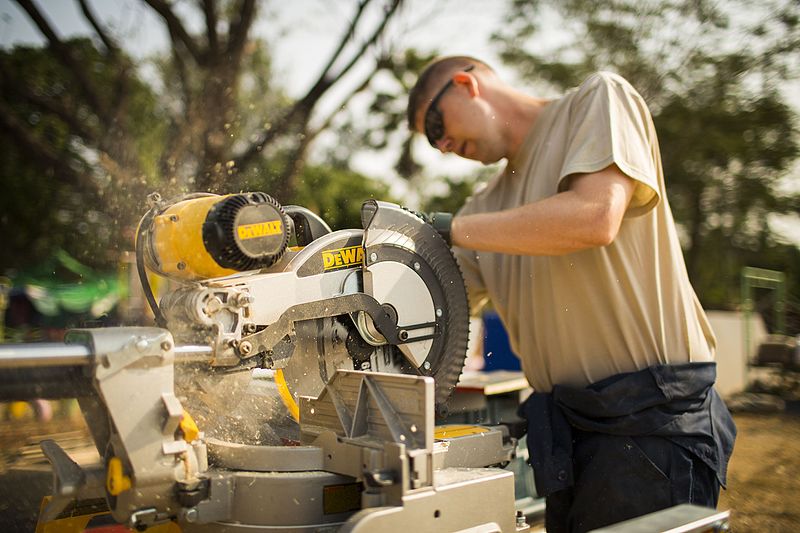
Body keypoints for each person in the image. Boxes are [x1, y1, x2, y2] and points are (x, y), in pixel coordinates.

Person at [407, 56, 736, 532]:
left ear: (467, 84)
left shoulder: (597, 100)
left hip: (650, 420)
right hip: (568, 431)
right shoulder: (485, 207)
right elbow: (430, 299)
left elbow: (594, 216)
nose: (442, 145)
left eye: (437, 124)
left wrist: (445, 229)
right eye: (431, 139)